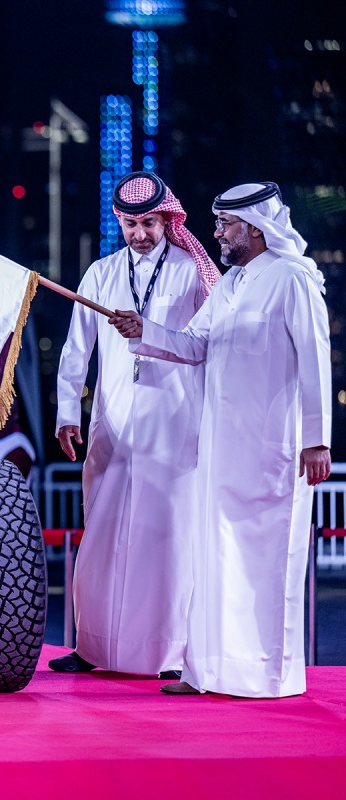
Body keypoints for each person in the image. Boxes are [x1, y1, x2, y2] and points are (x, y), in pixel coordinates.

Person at [110, 182, 332, 698]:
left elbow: (316, 360)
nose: (217, 234)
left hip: (274, 448)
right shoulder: (230, 284)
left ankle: (267, 676)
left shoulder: (290, 279)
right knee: (216, 559)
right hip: (218, 447)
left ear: (255, 227)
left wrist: (317, 440)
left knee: (268, 562)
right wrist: (143, 328)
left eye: (225, 225)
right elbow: (194, 345)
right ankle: (210, 671)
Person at [51, 171, 220, 678]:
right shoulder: (101, 272)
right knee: (102, 532)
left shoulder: (194, 271)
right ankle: (93, 647)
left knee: (166, 536)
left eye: (148, 223)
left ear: (168, 219)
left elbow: (208, 344)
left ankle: (169, 654)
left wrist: (150, 330)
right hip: (113, 423)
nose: (140, 233)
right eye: (130, 224)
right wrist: (65, 413)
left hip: (174, 422)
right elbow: (75, 349)